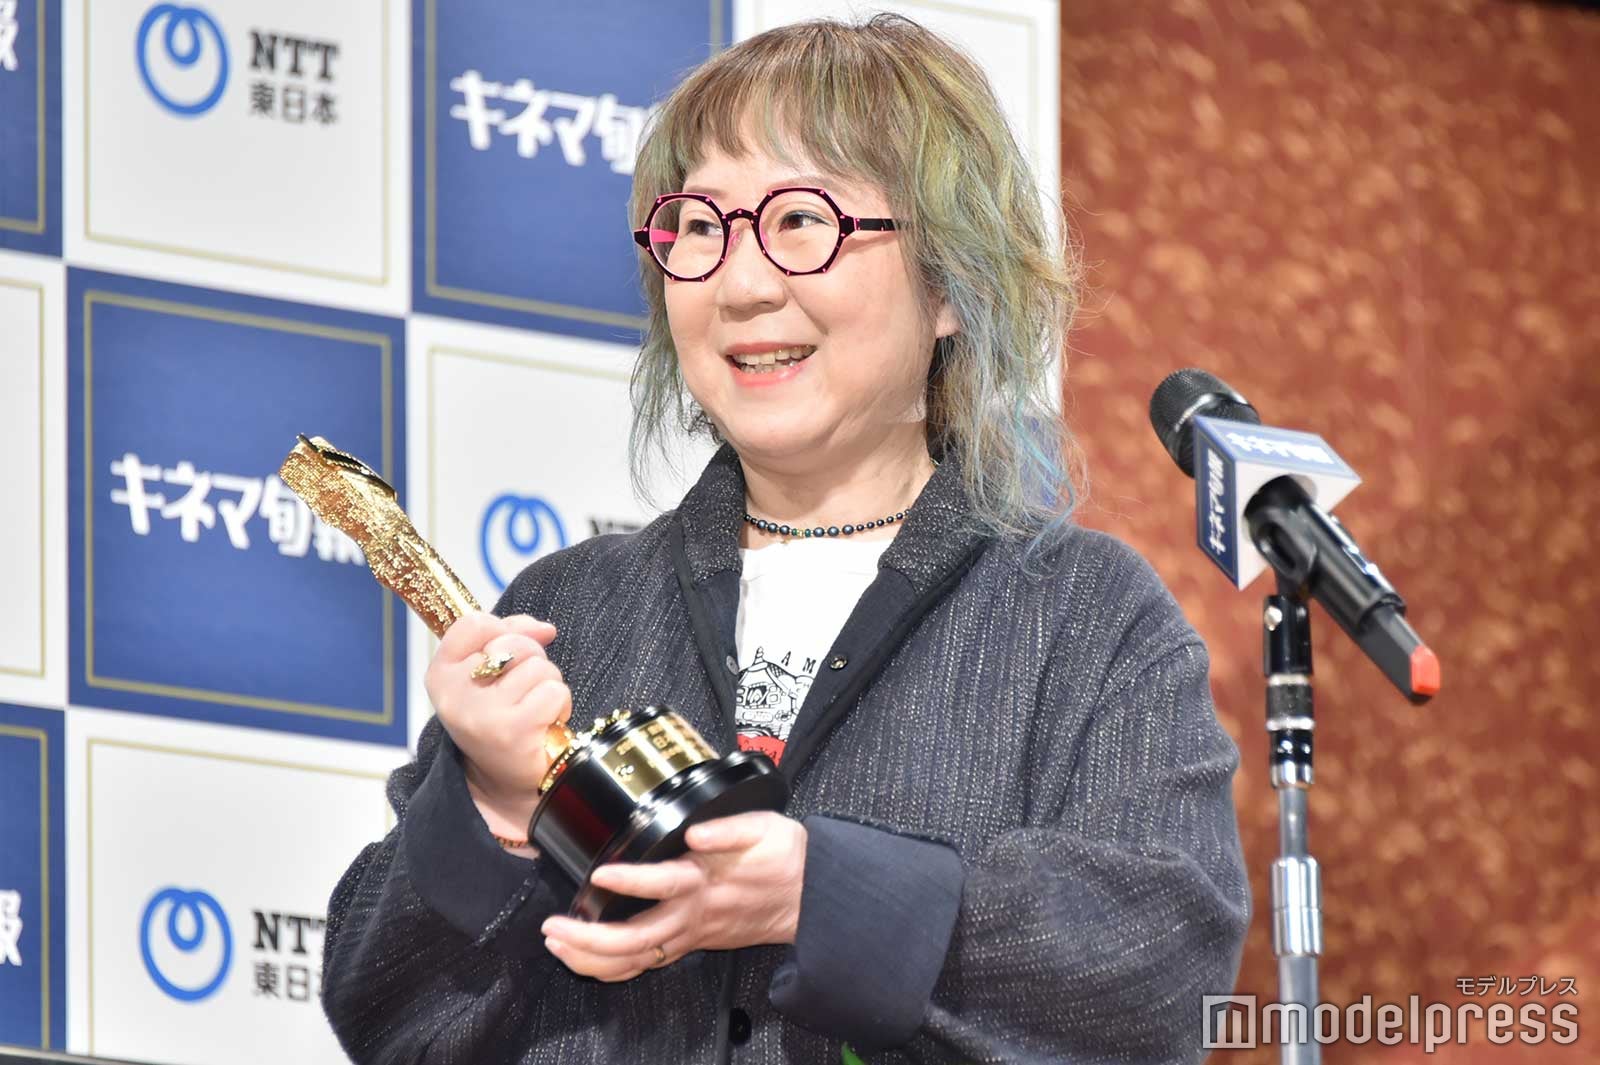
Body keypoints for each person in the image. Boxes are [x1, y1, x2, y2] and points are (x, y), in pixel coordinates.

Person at [321, 14, 1248, 1064]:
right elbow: (382, 1012)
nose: (744, 283)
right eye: (700, 227)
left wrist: (820, 895)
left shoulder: (1082, 617)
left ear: (950, 282)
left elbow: (1161, 966)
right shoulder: (570, 609)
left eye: (802, 220)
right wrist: (491, 804)